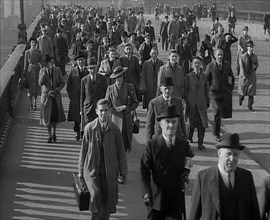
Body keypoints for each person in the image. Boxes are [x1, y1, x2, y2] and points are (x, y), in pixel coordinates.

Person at [189, 133, 261, 220]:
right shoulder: (203, 177)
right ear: (219, 153)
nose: (232, 158)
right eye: (228, 154)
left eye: (235, 154)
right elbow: (193, 216)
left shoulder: (246, 177)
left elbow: (255, 214)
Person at [141, 104, 194, 220]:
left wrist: (185, 172)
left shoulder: (183, 145)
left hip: (175, 199)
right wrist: (146, 192)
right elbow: (144, 170)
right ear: (160, 124)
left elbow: (189, 159)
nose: (171, 125)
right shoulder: (152, 146)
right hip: (156, 199)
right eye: (167, 122)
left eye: (174, 122)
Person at [78, 98, 127, 220]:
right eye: (101, 111)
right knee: (95, 197)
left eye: (106, 110)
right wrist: (80, 170)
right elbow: (83, 151)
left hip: (109, 171)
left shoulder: (115, 129)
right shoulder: (89, 128)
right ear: (96, 111)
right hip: (92, 170)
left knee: (107, 200)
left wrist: (123, 171)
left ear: (110, 111)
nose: (103, 113)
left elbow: (121, 151)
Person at [105, 66, 139, 152]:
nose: (119, 79)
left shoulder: (129, 87)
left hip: (126, 117)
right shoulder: (110, 88)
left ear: (123, 77)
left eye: (120, 76)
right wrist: (113, 109)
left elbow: (135, 102)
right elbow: (106, 104)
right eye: (117, 77)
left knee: (124, 140)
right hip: (114, 117)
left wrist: (126, 108)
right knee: (114, 139)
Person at [205, 49, 235, 142]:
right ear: (215, 56)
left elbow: (231, 77)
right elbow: (206, 80)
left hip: (224, 92)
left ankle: (216, 129)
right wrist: (207, 92)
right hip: (214, 93)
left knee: (221, 113)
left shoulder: (227, 65)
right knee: (217, 111)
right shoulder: (210, 66)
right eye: (218, 55)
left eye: (221, 55)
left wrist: (230, 88)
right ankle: (216, 133)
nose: (220, 57)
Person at [147, 76, 187, 142]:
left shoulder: (178, 102)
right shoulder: (154, 103)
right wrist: (148, 142)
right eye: (165, 89)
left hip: (176, 137)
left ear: (172, 89)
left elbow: (181, 121)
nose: (167, 91)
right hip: (160, 138)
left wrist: (184, 139)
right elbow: (149, 124)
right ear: (161, 89)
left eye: (169, 89)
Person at [39, 54, 66, 143]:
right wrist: (44, 73)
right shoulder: (42, 71)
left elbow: (62, 82)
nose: (49, 64)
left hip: (55, 96)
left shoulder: (57, 70)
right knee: (47, 117)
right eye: (47, 63)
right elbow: (40, 83)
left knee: (54, 117)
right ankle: (49, 135)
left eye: (50, 62)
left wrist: (57, 89)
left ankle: (54, 133)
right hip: (47, 97)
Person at [185, 57, 209, 150]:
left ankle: (200, 143)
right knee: (191, 124)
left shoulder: (204, 76)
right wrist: (187, 100)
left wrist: (207, 100)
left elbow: (206, 89)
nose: (197, 65)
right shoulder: (188, 76)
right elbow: (186, 90)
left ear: (201, 64)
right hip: (192, 104)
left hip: (202, 104)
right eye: (195, 63)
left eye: (198, 63)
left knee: (201, 125)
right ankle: (189, 137)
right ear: (192, 65)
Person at [66, 52, 89, 141]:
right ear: (76, 62)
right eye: (79, 60)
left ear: (85, 61)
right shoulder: (73, 71)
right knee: (76, 116)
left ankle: (84, 133)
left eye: (82, 60)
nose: (80, 62)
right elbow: (68, 85)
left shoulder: (88, 71)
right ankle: (77, 132)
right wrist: (71, 96)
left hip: (86, 97)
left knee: (85, 115)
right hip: (75, 97)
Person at [81, 58, 108, 129]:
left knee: (99, 127)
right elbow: (82, 96)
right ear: (88, 69)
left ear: (97, 68)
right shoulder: (84, 80)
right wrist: (81, 110)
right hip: (88, 108)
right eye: (90, 68)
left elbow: (106, 93)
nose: (92, 70)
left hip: (99, 108)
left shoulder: (102, 79)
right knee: (88, 128)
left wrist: (105, 106)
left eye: (94, 68)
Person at [238, 41, 258, 112]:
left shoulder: (254, 56)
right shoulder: (243, 57)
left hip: (251, 76)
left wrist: (254, 66)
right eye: (250, 47)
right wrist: (243, 75)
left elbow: (256, 64)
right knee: (243, 91)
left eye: (252, 47)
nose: (251, 48)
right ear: (247, 48)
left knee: (251, 92)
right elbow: (241, 67)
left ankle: (250, 106)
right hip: (244, 76)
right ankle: (241, 98)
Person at [23, 37, 42, 110]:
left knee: (36, 86)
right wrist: (24, 72)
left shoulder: (39, 51)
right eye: (32, 43)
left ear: (36, 44)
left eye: (34, 43)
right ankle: (31, 103)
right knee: (30, 87)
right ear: (30, 44)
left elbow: (40, 61)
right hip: (30, 70)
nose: (33, 44)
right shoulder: (27, 52)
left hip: (37, 69)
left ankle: (35, 103)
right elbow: (25, 63)